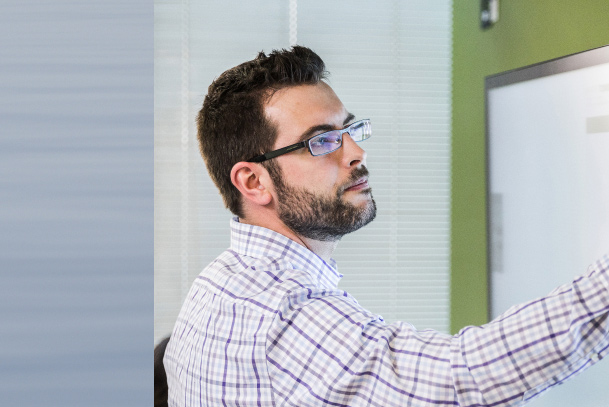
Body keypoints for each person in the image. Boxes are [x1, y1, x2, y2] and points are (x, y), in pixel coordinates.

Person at [163, 46, 609, 407]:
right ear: (253, 181)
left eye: (349, 128)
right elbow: (460, 379)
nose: (355, 151)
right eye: (322, 141)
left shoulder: (219, 283)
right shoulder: (285, 318)